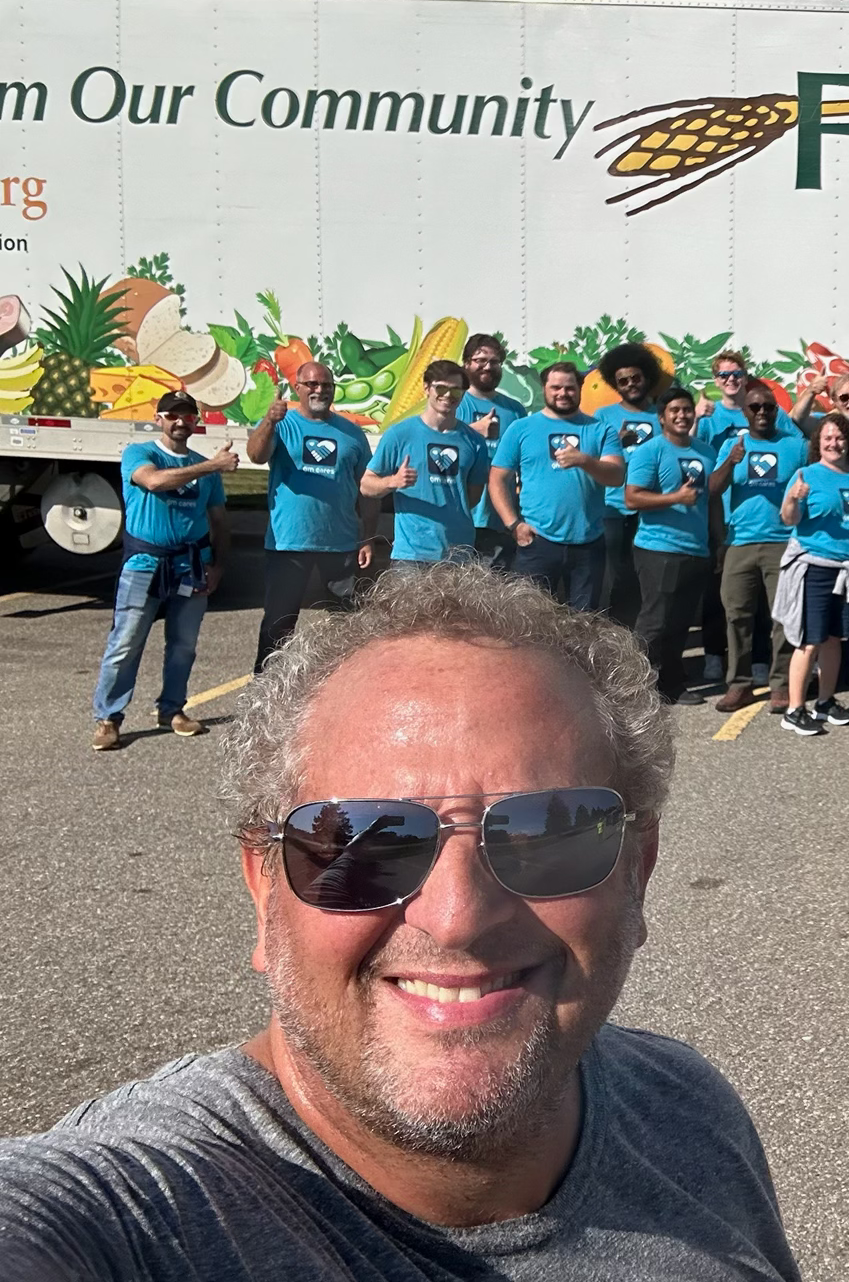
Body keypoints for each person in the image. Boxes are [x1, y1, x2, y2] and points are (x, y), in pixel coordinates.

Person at [2, 565, 802, 1278]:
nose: (457, 918)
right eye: (363, 840)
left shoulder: (686, 1107)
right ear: (262, 886)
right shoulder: (147, 1204)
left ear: (638, 869)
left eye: (550, 832)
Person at [89, 390, 233, 752]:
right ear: (159, 418)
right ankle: (109, 718)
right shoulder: (140, 454)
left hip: (191, 566)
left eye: (187, 415)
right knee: (125, 642)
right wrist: (212, 466)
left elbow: (219, 521)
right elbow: (154, 481)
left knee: (183, 645)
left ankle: (172, 710)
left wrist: (218, 565)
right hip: (145, 564)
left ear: (196, 421)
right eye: (173, 415)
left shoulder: (206, 469)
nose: (180, 421)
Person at [247, 362, 378, 672]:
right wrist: (268, 420)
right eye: (312, 385)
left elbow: (366, 488)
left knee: (347, 624)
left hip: (341, 543)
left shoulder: (351, 433)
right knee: (279, 624)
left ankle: (345, 686)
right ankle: (265, 688)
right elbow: (256, 455)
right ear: (298, 388)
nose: (320, 390)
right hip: (289, 543)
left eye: (326, 385)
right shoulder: (283, 423)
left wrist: (368, 538)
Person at [489, 362, 625, 612]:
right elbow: (497, 478)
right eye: (556, 387)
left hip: (588, 543)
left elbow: (616, 476)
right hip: (537, 542)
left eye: (570, 388)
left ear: (580, 388)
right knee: (530, 620)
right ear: (544, 389)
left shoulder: (600, 429)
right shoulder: (522, 428)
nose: (563, 393)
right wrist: (513, 524)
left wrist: (584, 460)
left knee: (584, 624)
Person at [708, 384, 808, 712]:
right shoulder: (731, 446)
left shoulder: (796, 446)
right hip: (739, 542)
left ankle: (781, 685)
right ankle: (739, 684)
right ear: (745, 412)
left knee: (782, 617)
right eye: (755, 408)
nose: (762, 412)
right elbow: (712, 488)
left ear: (776, 410)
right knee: (736, 616)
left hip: (783, 542)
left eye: (768, 407)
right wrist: (731, 461)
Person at [776, 414, 849, 736]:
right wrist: (793, 498)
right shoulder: (807, 475)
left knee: (834, 639)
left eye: (840, 437)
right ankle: (794, 709)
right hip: (815, 567)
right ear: (818, 443)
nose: (834, 443)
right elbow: (789, 519)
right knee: (809, 640)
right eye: (828, 438)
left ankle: (826, 701)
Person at [624, 387, 714, 704]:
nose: (681, 415)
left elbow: (710, 500)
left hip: (695, 550)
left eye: (686, 409)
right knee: (654, 622)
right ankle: (634, 689)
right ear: (662, 417)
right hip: (658, 549)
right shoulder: (650, 451)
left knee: (679, 623)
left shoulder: (705, 452)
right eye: (674, 410)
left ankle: (671, 684)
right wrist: (676, 497)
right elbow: (632, 497)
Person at [364, 361, 490, 573]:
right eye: (441, 388)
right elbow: (366, 486)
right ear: (426, 388)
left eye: (456, 390)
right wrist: (393, 482)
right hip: (411, 555)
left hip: (458, 554)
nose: (448, 395)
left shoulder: (474, 441)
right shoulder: (399, 434)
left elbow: (473, 497)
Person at [593, 342, 666, 627]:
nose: (631, 384)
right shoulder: (603, 416)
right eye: (623, 380)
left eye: (636, 377)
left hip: (651, 509)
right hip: (612, 507)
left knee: (644, 578)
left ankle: (639, 638)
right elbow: (595, 459)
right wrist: (618, 443)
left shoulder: (662, 414)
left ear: (646, 377)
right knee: (611, 578)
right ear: (615, 383)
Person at [457, 333, 528, 570]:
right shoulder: (455, 403)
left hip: (501, 519)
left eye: (494, 362)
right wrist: (473, 430)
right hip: (462, 516)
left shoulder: (515, 409)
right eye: (480, 360)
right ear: (466, 363)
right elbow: (434, 439)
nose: (487, 366)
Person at [695, 348, 799, 451]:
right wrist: (695, 418)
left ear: (745, 378)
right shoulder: (706, 417)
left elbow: (798, 444)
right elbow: (688, 450)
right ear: (716, 381)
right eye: (724, 375)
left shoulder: (770, 411)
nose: (731, 379)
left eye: (737, 374)